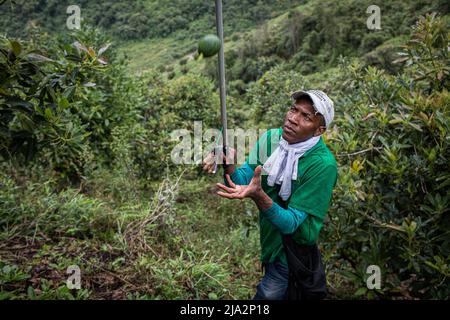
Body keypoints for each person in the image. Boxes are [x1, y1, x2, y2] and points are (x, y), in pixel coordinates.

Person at [203, 90, 338, 300]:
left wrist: (259, 196)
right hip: (270, 243)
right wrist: (229, 160)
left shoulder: (322, 165)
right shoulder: (272, 139)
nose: (293, 118)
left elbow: (291, 223)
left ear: (319, 130)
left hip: (290, 253)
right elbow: (243, 180)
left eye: (306, 117)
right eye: (294, 109)